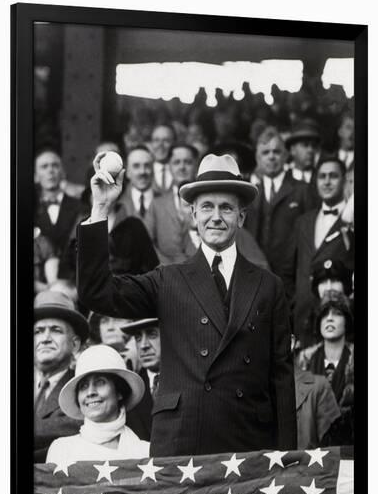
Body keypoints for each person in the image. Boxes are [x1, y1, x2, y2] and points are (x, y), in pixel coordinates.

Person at [77, 152, 297, 457]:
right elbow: (97, 293)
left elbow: (282, 380)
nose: (216, 216)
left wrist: (286, 458)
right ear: (193, 214)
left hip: (249, 445)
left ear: (241, 217)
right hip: (183, 444)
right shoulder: (168, 280)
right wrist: (101, 206)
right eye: (207, 206)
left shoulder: (269, 285)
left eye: (226, 208)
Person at [46, 345, 149, 464]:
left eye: (100, 382)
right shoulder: (62, 450)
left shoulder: (144, 452)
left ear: (119, 391)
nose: (90, 393)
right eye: (83, 386)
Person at [290, 157, 354, 347]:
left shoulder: (354, 223)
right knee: (305, 376)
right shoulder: (303, 222)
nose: (327, 182)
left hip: (339, 323)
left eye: (333, 176)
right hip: (303, 324)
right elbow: (290, 269)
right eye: (322, 177)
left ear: (344, 180)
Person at [245, 127, 315, 296]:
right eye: (265, 152)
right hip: (256, 280)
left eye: (276, 151)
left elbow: (310, 239)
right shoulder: (250, 195)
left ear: (285, 155)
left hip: (292, 282)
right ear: (257, 158)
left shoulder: (303, 190)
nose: (271, 156)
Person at [34, 290, 89, 462]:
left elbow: (81, 425)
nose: (45, 338)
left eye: (56, 330)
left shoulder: (83, 387)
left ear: (75, 344)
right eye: (38, 331)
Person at [298, 292, 354, 445]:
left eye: (337, 314)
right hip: (312, 450)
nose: (329, 318)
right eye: (324, 315)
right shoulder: (304, 360)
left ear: (347, 321)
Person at [145, 144, 199, 264]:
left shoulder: (207, 202)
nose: (182, 167)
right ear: (169, 166)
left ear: (196, 166)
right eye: (176, 162)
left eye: (188, 162)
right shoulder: (156, 205)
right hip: (167, 273)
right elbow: (147, 242)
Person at [34, 149, 82, 258]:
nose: (50, 170)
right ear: (36, 176)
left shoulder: (80, 206)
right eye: (44, 167)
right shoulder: (31, 209)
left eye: (55, 165)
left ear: (63, 172)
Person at [121, 318, 161, 441]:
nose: (144, 345)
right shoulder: (129, 391)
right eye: (138, 338)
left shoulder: (190, 383)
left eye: (152, 335)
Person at [118, 145, 159, 220]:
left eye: (147, 166)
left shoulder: (165, 202)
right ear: (127, 172)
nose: (142, 172)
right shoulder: (118, 204)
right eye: (136, 166)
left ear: (153, 170)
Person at [286, 121, 321, 185]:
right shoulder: (283, 179)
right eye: (305, 145)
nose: (310, 150)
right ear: (293, 150)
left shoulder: (321, 178)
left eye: (314, 146)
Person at [150, 124, 176, 192]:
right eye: (156, 140)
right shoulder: (144, 170)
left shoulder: (181, 171)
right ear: (151, 143)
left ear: (174, 143)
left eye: (166, 140)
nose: (160, 145)